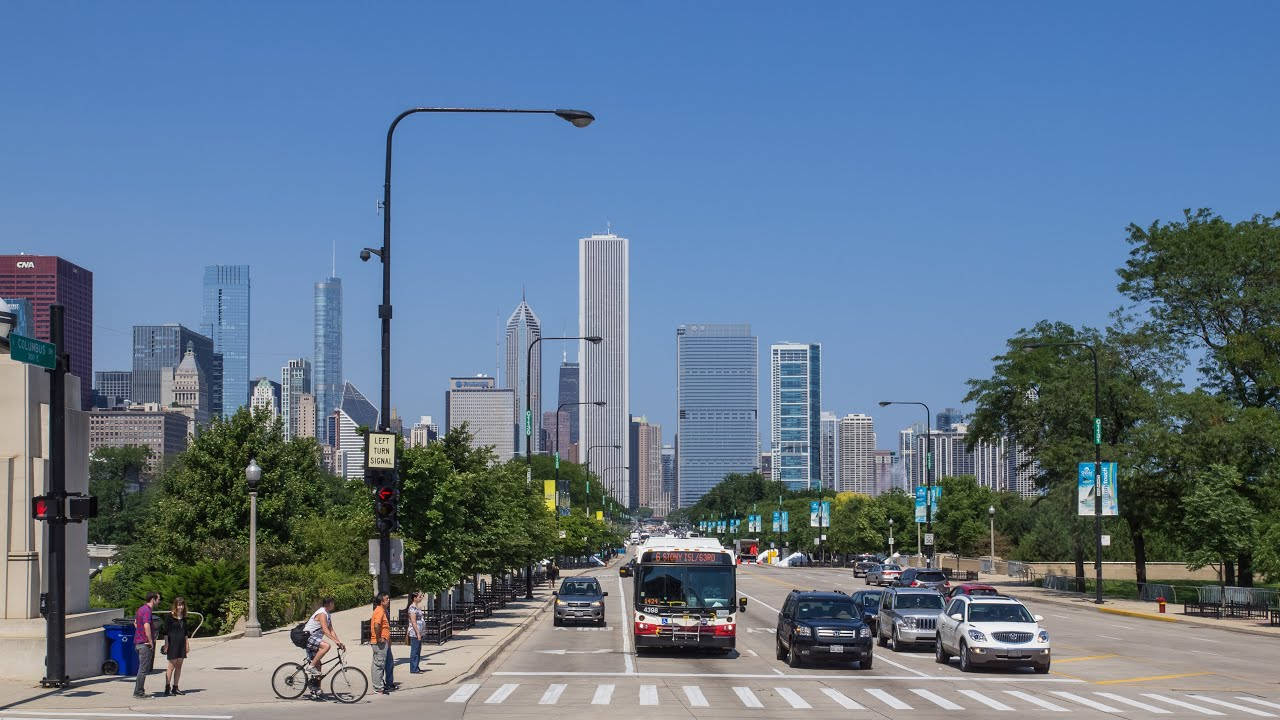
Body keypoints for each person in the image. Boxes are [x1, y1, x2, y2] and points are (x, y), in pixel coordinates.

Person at [303, 597, 344, 676]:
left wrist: (339, 642)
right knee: (326, 646)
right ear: (330, 604)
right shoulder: (322, 613)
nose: (334, 605)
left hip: (315, 639)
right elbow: (325, 631)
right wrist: (335, 641)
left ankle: (316, 688)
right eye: (333, 603)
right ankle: (310, 667)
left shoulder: (327, 613)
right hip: (308, 637)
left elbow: (331, 630)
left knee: (318, 666)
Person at [132, 592, 161, 698]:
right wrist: (150, 641)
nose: (159, 601)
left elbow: (135, 623)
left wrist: (140, 633)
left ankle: (139, 690)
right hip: (144, 644)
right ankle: (138, 692)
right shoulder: (147, 611)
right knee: (143, 669)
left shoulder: (141, 609)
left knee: (142, 668)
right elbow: (146, 626)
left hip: (138, 642)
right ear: (153, 599)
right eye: (158, 599)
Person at [163, 597, 190, 696]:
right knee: (171, 666)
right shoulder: (169, 616)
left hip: (181, 643)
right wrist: (166, 644)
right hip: (172, 643)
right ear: (175, 605)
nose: (180, 607)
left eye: (182, 605)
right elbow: (165, 632)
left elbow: (186, 632)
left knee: (179, 666)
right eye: (179, 605)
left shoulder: (184, 617)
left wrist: (187, 644)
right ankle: (167, 688)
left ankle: (175, 687)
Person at [370, 593, 390, 694]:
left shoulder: (380, 610)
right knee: (379, 665)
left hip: (380, 642)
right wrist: (379, 638)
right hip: (379, 643)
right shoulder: (379, 611)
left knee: (376, 664)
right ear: (381, 602)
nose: (388, 600)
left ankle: (377, 685)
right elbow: (376, 625)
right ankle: (378, 687)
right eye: (386, 599)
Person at [406, 591, 424, 674]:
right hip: (415, 633)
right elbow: (413, 622)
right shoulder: (412, 608)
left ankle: (416, 666)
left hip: (419, 631)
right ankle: (413, 668)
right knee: (415, 650)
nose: (421, 598)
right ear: (414, 598)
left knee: (418, 650)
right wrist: (418, 633)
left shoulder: (416, 607)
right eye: (420, 596)